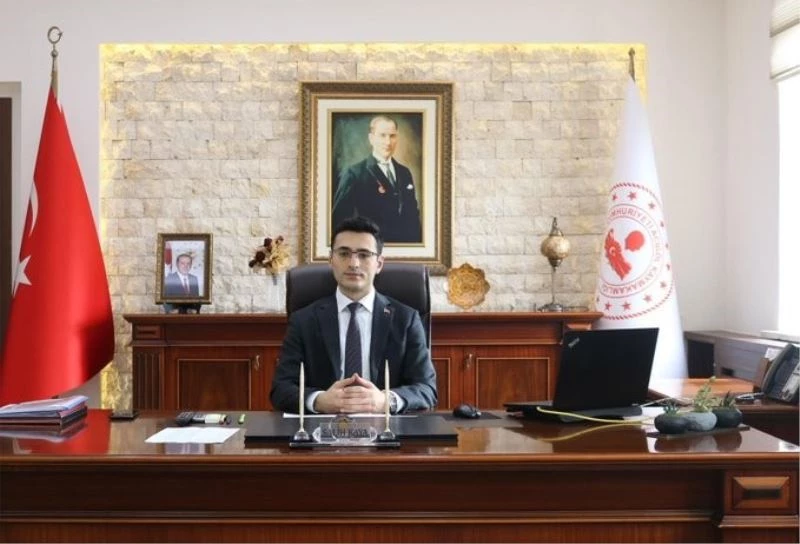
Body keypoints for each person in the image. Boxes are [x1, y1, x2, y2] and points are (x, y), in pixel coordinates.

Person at [270, 216, 437, 414]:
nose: (354, 263)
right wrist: (319, 400)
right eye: (344, 253)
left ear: (379, 264)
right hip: (324, 425)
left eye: (364, 255)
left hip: (386, 427)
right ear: (331, 260)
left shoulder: (406, 319)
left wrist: (386, 401)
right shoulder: (304, 321)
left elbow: (427, 389)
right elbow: (281, 389)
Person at [332, 115, 423, 244]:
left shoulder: (404, 172)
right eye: (382, 135)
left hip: (405, 247)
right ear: (371, 138)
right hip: (370, 247)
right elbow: (339, 219)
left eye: (392, 136)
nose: (388, 142)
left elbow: (413, 216)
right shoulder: (354, 173)